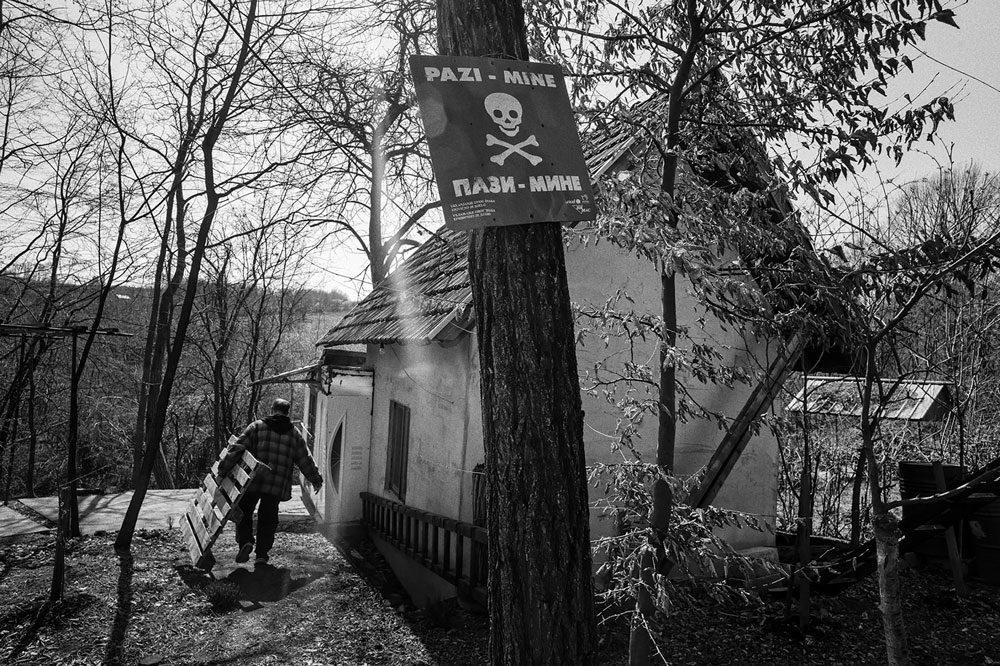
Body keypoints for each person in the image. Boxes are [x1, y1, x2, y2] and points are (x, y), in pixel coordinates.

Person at [219, 398, 322, 566]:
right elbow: (305, 460)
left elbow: (236, 449)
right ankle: (261, 555)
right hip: (276, 485)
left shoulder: (257, 427)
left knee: (244, 511)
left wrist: (222, 470)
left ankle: (246, 541)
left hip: (252, 482)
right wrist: (316, 479)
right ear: (287, 412)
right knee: (268, 518)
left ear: (272, 409)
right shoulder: (294, 434)